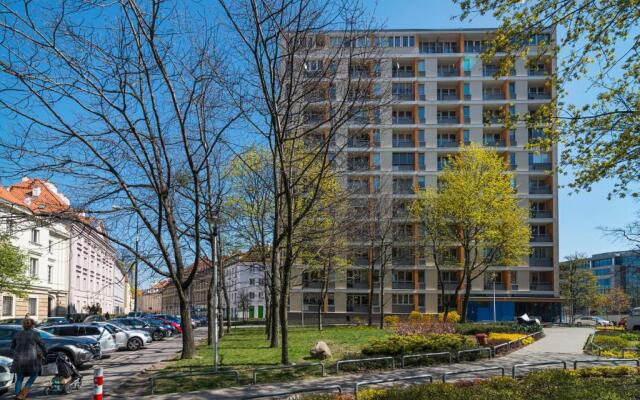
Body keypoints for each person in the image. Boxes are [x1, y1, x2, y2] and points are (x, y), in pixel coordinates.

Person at [10, 317, 47, 399]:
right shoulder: (35, 334)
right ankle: (23, 393)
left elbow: (12, 347)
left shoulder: (17, 334)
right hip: (31, 359)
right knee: (34, 375)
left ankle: (18, 395)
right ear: (32, 325)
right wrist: (45, 353)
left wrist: (16, 354)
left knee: (19, 378)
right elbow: (42, 345)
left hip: (19, 359)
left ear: (23, 325)